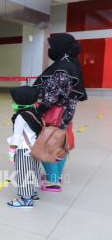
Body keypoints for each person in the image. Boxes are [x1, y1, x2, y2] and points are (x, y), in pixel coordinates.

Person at [33, 33, 87, 192]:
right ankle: (56, 176)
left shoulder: (62, 68)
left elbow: (53, 95)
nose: (51, 50)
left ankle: (52, 181)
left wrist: (40, 109)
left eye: (53, 47)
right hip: (66, 112)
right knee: (61, 142)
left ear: (61, 47)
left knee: (46, 142)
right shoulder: (71, 63)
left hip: (53, 113)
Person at [7, 86, 43, 208]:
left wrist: (11, 152)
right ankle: (33, 193)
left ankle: (25, 200)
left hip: (24, 150)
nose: (12, 102)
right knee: (33, 171)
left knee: (24, 173)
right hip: (36, 149)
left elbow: (17, 137)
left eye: (14, 100)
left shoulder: (20, 117)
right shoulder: (34, 112)